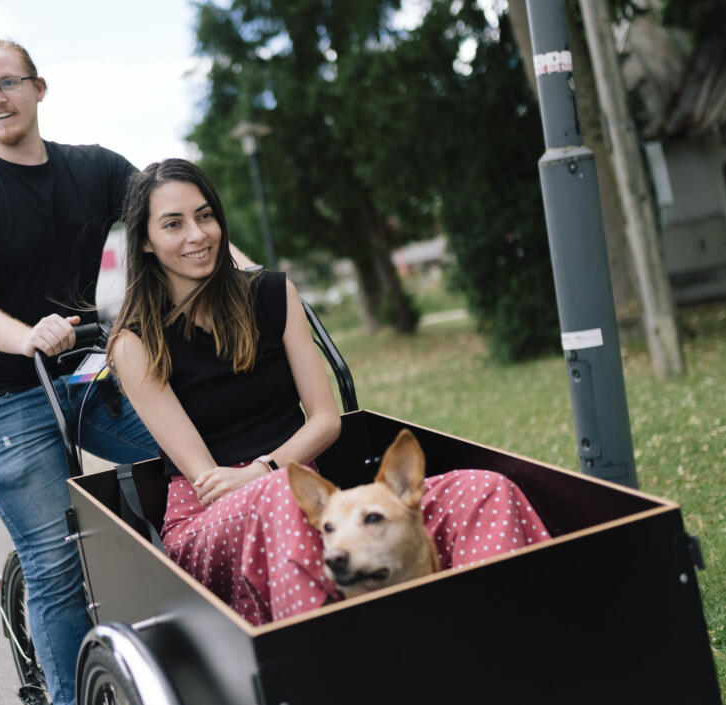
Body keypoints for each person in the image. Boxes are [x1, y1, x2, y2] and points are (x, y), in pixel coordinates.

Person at [109, 158, 550, 626]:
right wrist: (268, 480)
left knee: (482, 489)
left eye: (205, 216)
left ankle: (498, 634)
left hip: (312, 498)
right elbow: (208, 480)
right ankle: (334, 662)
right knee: (280, 495)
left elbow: (325, 418)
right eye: (173, 224)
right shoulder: (135, 341)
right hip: (208, 519)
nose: (197, 235)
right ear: (145, 241)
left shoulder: (274, 294)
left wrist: (268, 469)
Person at [0, 39, 161, 705]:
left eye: (9, 82)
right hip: (1, 399)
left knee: (189, 453)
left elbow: (175, 220)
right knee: (57, 563)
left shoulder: (96, 168)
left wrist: (251, 280)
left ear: (39, 88)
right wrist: (26, 336)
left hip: (84, 377)